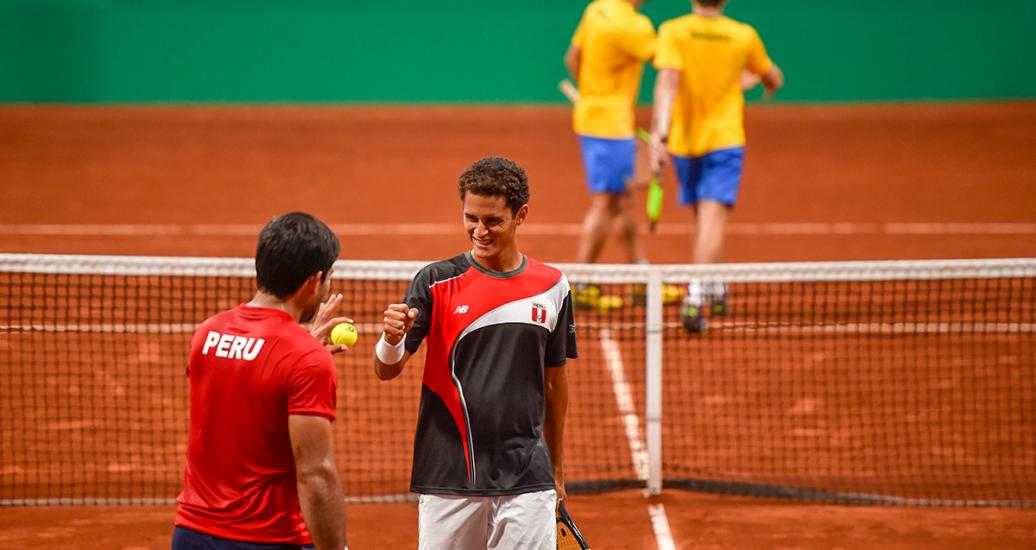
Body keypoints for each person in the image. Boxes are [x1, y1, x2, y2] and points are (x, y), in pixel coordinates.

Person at [373, 157, 577, 549]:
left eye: (492, 221)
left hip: (526, 474)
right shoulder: (435, 281)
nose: (479, 231)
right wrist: (391, 339)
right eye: (470, 218)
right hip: (450, 474)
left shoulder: (553, 287)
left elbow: (555, 384)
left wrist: (557, 468)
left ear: (521, 215)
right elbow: (387, 369)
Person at [174, 212, 350, 550]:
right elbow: (315, 473)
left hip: (191, 535)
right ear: (314, 282)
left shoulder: (207, 333)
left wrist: (300, 345)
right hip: (267, 539)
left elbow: (248, 381)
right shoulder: (307, 359)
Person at [648, 0, 784, 332]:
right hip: (724, 139)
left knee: (705, 218)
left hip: (683, 140)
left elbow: (667, 85)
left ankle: (711, 285)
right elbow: (774, 77)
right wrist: (758, 83)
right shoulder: (742, 35)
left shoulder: (673, 31)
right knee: (709, 218)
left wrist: (659, 135)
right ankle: (701, 291)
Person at [565, 0, 655, 308]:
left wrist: (593, 96)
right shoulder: (636, 26)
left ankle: (640, 278)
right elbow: (669, 64)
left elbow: (572, 58)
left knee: (624, 200)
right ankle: (582, 281)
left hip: (595, 117)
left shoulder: (596, 8)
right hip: (611, 127)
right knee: (606, 202)